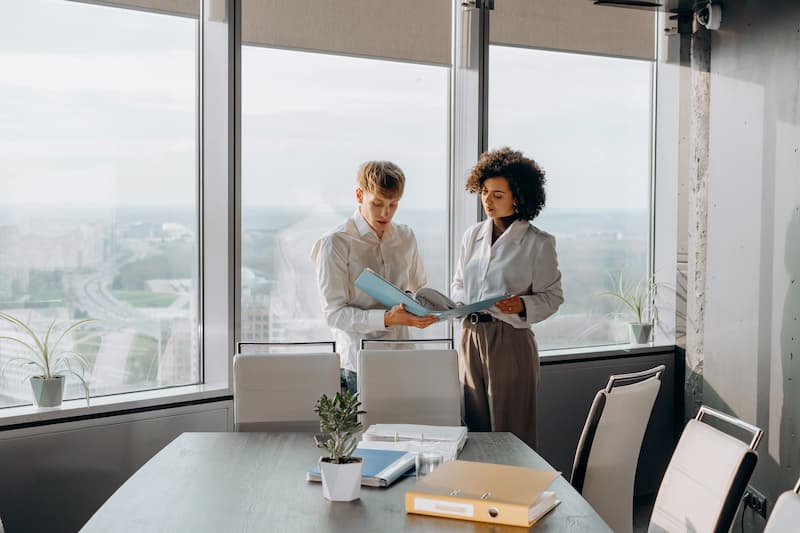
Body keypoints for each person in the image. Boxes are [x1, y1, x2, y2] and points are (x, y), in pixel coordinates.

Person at [451, 147, 563, 449]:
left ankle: (514, 492)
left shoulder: (538, 243)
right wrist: (458, 302)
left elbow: (552, 297)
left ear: (518, 196)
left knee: (512, 430)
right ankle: (480, 493)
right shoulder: (471, 236)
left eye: (497, 195)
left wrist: (522, 304)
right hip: (470, 336)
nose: (487, 201)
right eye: (484, 192)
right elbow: (459, 283)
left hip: (510, 340)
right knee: (473, 430)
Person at [311, 161, 437, 393]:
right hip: (358, 365)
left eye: (393, 205)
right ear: (359, 195)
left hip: (402, 359)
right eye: (377, 203)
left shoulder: (406, 236)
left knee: (404, 429)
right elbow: (334, 314)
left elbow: (418, 287)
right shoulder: (336, 242)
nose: (385, 213)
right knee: (361, 430)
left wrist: (423, 309)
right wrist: (388, 318)